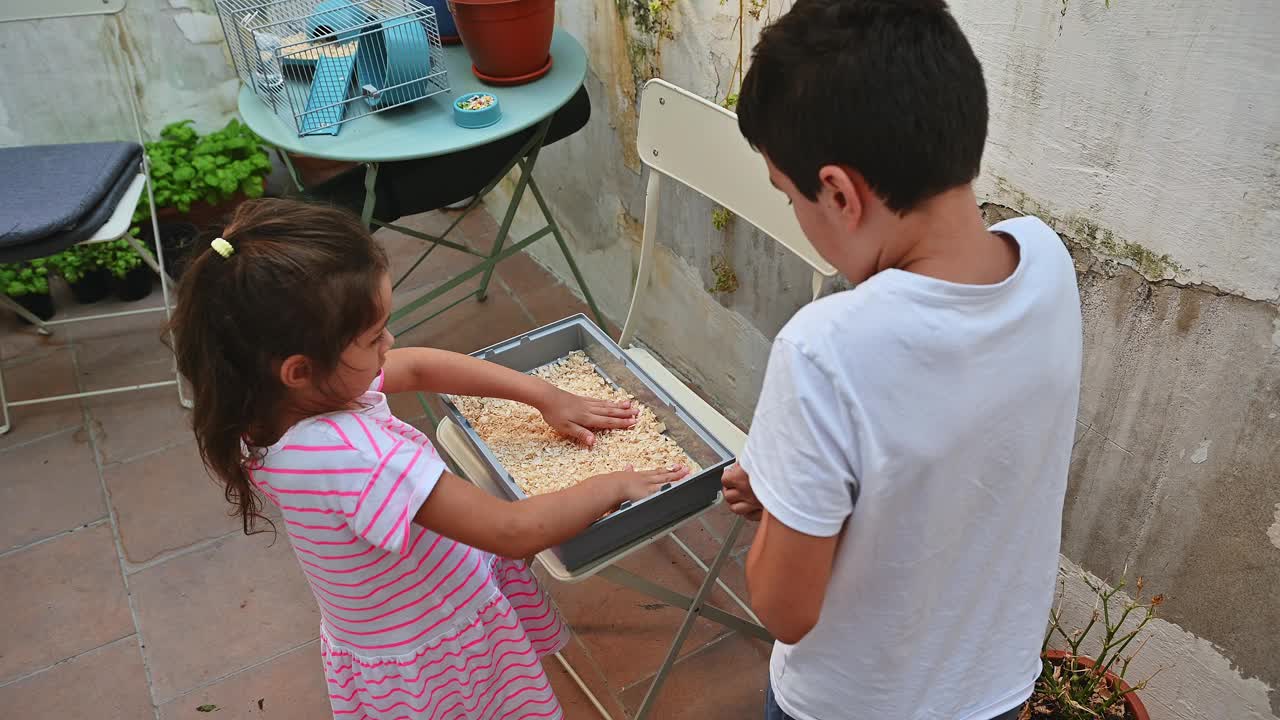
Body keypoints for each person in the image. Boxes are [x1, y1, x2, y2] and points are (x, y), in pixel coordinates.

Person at [170, 198, 686, 720]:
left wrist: (541, 393)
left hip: (388, 625)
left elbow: (412, 368)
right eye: (374, 337)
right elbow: (514, 530)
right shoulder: (356, 458)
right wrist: (612, 484)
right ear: (299, 370)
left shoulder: (261, 408)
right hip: (438, 652)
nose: (389, 343)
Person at [719, 1, 1083, 719]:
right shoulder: (1048, 262)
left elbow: (785, 609)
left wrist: (783, 498)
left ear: (839, 193)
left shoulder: (823, 349)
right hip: (993, 690)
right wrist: (803, 489)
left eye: (788, 196)